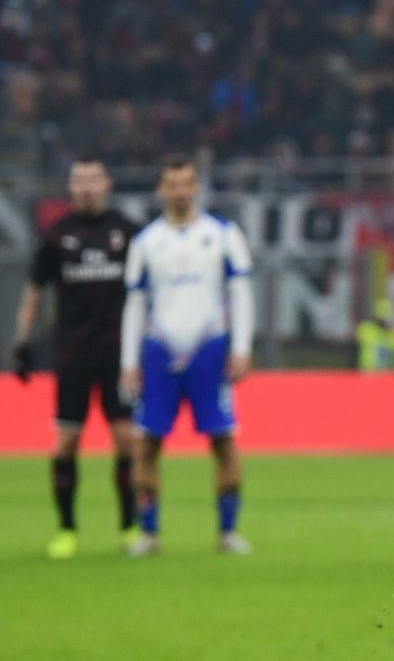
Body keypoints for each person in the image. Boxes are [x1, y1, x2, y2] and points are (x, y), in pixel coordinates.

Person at [119, 157, 255, 557]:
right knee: (147, 444)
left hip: (210, 348)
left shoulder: (223, 234)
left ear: (197, 187)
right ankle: (149, 533)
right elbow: (135, 302)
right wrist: (129, 361)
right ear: (160, 190)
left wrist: (241, 349)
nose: (180, 191)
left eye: (186, 183)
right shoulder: (146, 242)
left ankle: (228, 531)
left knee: (223, 440)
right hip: (159, 349)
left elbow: (240, 293)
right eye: (172, 184)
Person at [11, 158, 145, 558]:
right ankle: (66, 530)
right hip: (73, 355)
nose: (86, 187)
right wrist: (22, 342)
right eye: (79, 180)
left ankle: (129, 528)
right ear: (69, 186)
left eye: (93, 179)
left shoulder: (127, 231)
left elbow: (147, 289)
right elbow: (34, 291)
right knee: (66, 441)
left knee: (126, 440)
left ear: (107, 184)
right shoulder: (56, 235)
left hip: (118, 355)